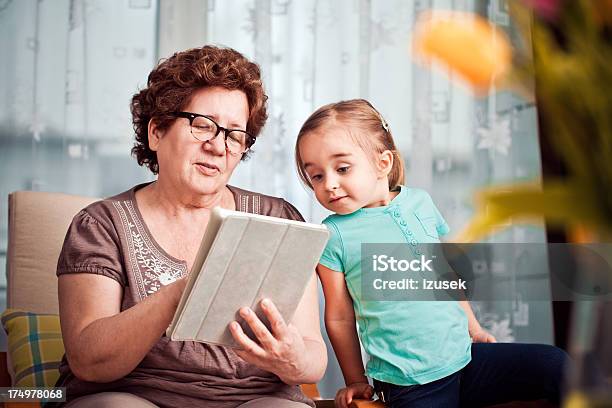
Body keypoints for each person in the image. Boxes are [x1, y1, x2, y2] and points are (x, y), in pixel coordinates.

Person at [54, 45, 327, 408]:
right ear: (156, 132)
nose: (219, 146)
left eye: (234, 134)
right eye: (203, 126)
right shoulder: (100, 226)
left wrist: (292, 358)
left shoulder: (279, 220)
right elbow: (89, 361)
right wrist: (183, 292)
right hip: (135, 395)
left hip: (253, 398)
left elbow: (313, 359)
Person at [294, 99, 569, 408]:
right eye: (316, 176)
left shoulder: (420, 203)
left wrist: (474, 329)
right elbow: (340, 316)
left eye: (342, 168)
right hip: (411, 383)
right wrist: (355, 379)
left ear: (382, 163)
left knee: (556, 364)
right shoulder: (334, 234)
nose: (329, 184)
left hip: (464, 358)